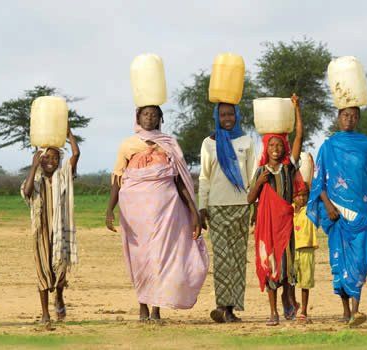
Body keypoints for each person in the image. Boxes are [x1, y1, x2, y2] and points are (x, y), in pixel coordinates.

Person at [105, 105, 208, 323]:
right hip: (135, 214)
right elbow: (118, 179)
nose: (149, 117)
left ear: (160, 118)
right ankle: (142, 304)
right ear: (137, 117)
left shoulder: (169, 144)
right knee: (140, 258)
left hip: (166, 213)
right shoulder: (128, 145)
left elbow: (178, 180)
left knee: (162, 258)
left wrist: (193, 211)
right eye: (145, 114)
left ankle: (156, 309)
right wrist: (109, 210)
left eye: (154, 114)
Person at [307, 104, 367, 327]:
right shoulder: (328, 146)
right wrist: (328, 206)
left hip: (363, 214)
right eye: (345, 115)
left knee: (360, 263)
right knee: (339, 262)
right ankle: (346, 310)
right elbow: (318, 182)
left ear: (358, 119)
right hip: (337, 214)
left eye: (354, 116)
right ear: (338, 117)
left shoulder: (366, 145)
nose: (349, 119)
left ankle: (356, 310)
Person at [247, 94, 303, 326]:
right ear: (266, 147)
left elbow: (300, 135)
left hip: (286, 224)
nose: (276, 148)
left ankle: (287, 297)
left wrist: (296, 108)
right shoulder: (261, 172)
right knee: (269, 264)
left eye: (280, 144)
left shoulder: (289, 167)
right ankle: (273, 312)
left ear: (284, 147)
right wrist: (261, 183)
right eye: (272, 144)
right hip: (267, 225)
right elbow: (250, 198)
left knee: (287, 266)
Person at [198, 102, 256, 323]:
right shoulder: (208, 143)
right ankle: (221, 305)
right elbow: (204, 177)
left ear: (237, 115)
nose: (227, 118)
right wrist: (202, 208)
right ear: (217, 117)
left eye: (231, 113)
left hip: (241, 207)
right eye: (222, 114)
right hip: (216, 209)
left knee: (238, 259)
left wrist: (255, 206)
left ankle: (230, 309)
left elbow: (252, 177)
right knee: (222, 259)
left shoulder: (246, 141)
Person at [21, 126, 80, 328]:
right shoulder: (34, 179)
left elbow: (76, 153)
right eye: (46, 158)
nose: (50, 162)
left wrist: (68, 132)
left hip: (60, 230)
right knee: (43, 270)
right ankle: (45, 314)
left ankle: (60, 296)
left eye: (54, 158)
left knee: (60, 271)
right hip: (41, 231)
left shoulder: (64, 177)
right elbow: (27, 193)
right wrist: (33, 166)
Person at [291, 163, 317, 325]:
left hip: (307, 249)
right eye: (298, 195)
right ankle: (293, 304)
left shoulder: (311, 209)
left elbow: (314, 193)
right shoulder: (289, 209)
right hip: (292, 250)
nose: (301, 198)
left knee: (305, 282)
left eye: (304, 195)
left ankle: (304, 311)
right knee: (291, 282)